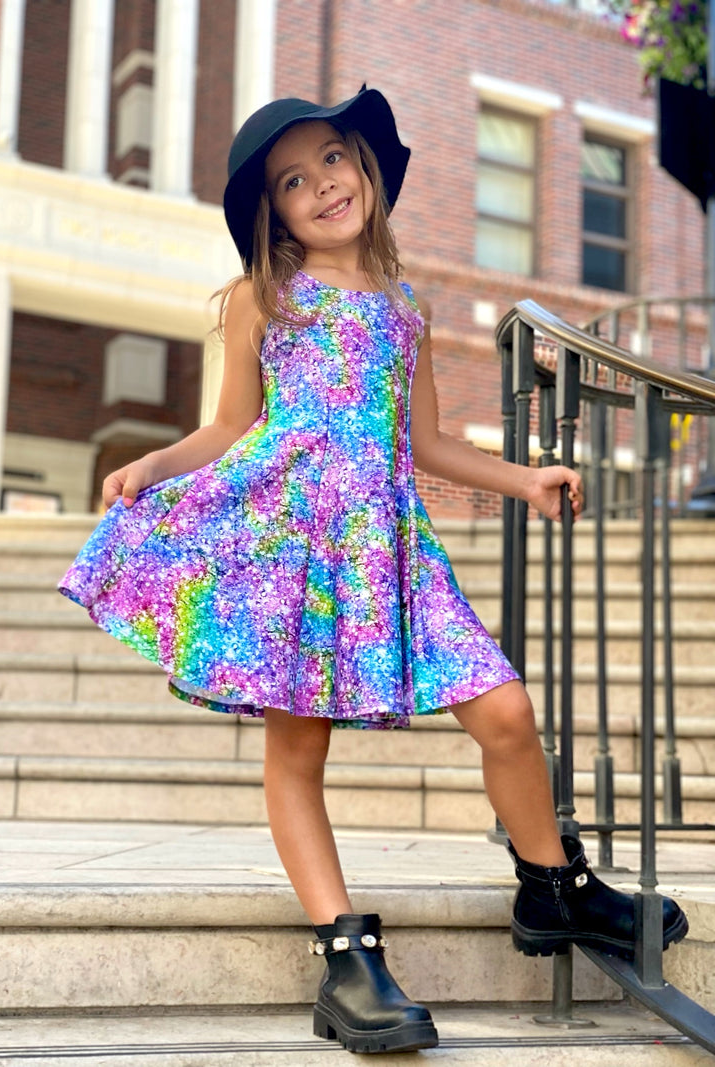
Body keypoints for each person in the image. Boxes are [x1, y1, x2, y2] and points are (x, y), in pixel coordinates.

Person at [59, 87, 688, 1055]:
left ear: (365, 168)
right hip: (288, 546)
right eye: (292, 182)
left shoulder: (404, 311)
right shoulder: (259, 301)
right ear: (273, 212)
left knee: (504, 709)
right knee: (296, 752)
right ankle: (345, 956)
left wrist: (522, 478)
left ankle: (549, 885)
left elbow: (426, 442)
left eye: (330, 162)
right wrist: (153, 464)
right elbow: (229, 427)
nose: (319, 187)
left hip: (389, 543)